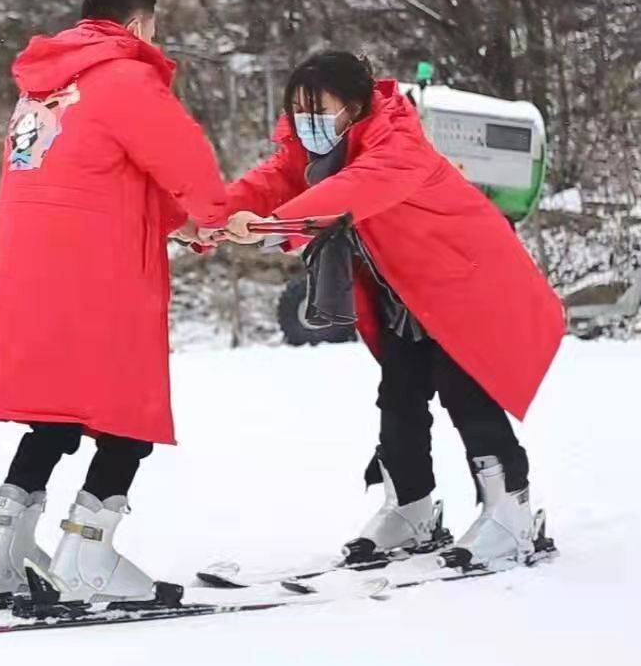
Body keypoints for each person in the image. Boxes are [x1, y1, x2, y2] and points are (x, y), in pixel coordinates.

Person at [213, 51, 564, 569]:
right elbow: (272, 180)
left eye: (319, 109)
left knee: (466, 392)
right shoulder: (323, 151)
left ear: (355, 107)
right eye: (299, 110)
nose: (307, 123)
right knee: (398, 396)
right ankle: (411, 507)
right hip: (405, 293)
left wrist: (271, 226)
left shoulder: (398, 145)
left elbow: (353, 191)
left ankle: (511, 512)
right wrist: (207, 219)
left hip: (468, 288)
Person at [0, 0, 230, 612]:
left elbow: (104, 178)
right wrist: (213, 218)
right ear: (135, 27)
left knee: (53, 415)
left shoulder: (42, 90)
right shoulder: (125, 77)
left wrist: (180, 223)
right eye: (153, 30)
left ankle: (3, 550)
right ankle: (87, 555)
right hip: (99, 278)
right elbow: (184, 159)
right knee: (124, 412)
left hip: (32, 278)